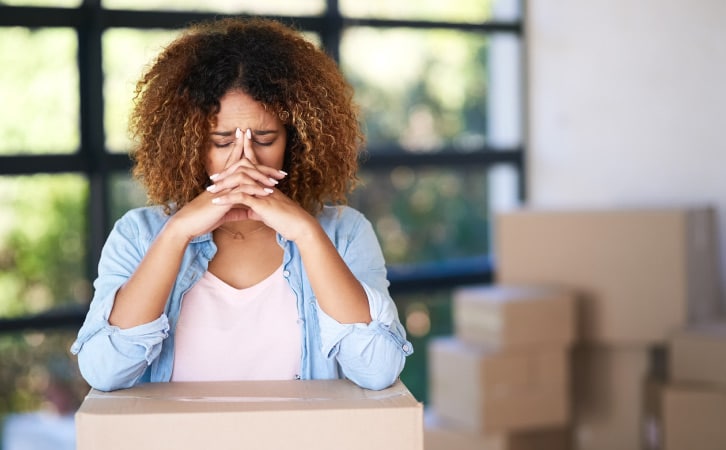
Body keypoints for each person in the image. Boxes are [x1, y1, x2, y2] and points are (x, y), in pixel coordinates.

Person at [70, 17, 412, 392]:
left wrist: (306, 232)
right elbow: (104, 370)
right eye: (221, 141)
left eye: (264, 139)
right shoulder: (138, 234)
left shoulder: (345, 233)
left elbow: (378, 370)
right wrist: (178, 232)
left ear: (294, 142)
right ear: (190, 144)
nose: (244, 161)